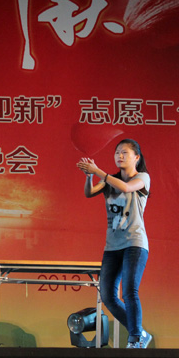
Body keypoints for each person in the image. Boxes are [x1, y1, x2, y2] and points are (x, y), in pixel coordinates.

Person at [76, 139, 152, 349]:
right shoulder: (110, 180)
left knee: (129, 292)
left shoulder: (142, 178)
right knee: (108, 296)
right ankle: (140, 332)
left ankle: (135, 339)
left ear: (136, 157)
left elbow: (126, 188)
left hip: (134, 244)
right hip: (112, 247)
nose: (119, 156)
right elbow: (89, 193)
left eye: (124, 152)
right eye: (117, 152)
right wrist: (90, 176)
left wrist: (98, 171)